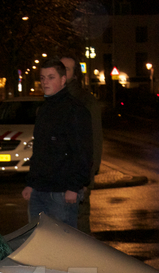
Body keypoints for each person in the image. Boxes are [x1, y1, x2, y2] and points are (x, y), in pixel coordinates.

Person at [21, 59, 93, 228]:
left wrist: (74, 187)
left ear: (62, 80)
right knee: (40, 245)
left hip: (61, 193)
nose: (45, 82)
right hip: (39, 191)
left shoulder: (75, 110)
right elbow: (39, 151)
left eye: (51, 77)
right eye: (43, 77)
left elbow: (83, 152)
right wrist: (31, 183)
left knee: (63, 247)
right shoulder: (44, 110)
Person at [60, 55, 102, 234]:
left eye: (67, 69)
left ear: (75, 75)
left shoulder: (85, 101)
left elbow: (95, 140)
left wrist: (87, 177)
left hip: (77, 177)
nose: (62, 71)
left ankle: (85, 261)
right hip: (58, 178)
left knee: (79, 225)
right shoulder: (55, 98)